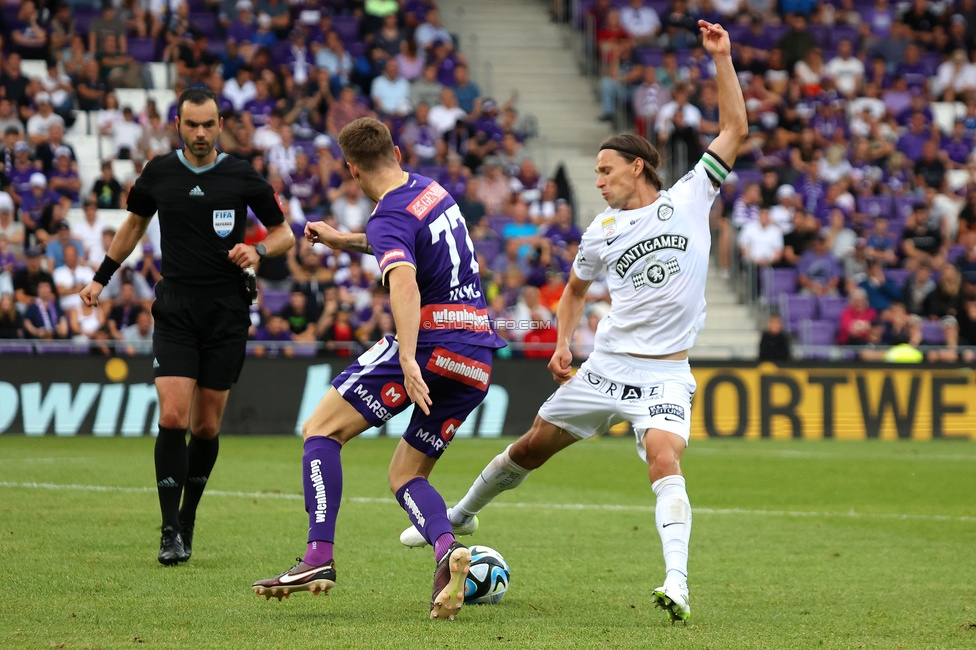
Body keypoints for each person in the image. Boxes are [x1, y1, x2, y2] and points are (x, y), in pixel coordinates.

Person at [397, 20, 747, 624]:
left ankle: (677, 582)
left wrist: (722, 57)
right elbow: (575, 290)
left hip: (665, 376)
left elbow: (736, 128)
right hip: (606, 366)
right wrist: (563, 344)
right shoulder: (600, 232)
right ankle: (460, 516)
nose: (599, 181)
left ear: (639, 166)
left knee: (664, 457)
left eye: (607, 171)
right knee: (531, 448)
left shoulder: (690, 197)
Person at [251, 117, 506, 621]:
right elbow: (396, 242)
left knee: (320, 430)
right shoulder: (431, 191)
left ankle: (317, 558)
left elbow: (404, 281)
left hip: (430, 343)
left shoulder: (386, 215)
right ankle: (446, 550)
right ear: (394, 148)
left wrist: (408, 357)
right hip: (476, 356)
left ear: (351, 170)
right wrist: (341, 239)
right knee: (406, 474)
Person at [79, 87, 295, 566]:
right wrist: (101, 278)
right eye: (192, 124)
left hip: (227, 312)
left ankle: (189, 516)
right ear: (178, 123)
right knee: (173, 417)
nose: (200, 133)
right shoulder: (159, 172)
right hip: (175, 308)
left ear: (220, 124)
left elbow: (284, 232)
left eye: (208, 124)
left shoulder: (241, 175)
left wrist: (257, 250)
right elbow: (134, 225)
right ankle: (169, 530)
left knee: (205, 425)